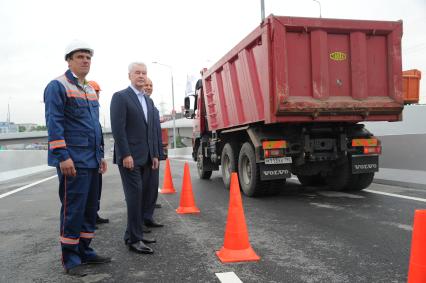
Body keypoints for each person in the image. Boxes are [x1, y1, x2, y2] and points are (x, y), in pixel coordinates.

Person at [44, 39, 110, 277]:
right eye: (80, 56)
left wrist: (100, 155)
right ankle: (70, 258)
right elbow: (54, 123)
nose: (85, 60)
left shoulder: (89, 89)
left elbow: (95, 127)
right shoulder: (58, 86)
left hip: (91, 160)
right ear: (69, 60)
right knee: (73, 209)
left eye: (88, 57)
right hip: (73, 160)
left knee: (90, 209)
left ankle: (84, 250)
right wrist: (63, 156)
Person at [110, 62, 159, 255]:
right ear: (129, 75)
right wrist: (125, 154)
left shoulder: (148, 101)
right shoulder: (121, 97)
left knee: (143, 196)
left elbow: (151, 131)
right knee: (134, 197)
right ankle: (134, 239)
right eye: (137, 72)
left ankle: (133, 233)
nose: (141, 76)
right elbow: (118, 129)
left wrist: (155, 154)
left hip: (147, 157)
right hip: (130, 158)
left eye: (144, 73)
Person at [142, 78, 165, 226]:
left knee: (152, 187)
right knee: (142, 189)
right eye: (146, 85)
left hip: (154, 154)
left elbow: (156, 133)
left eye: (151, 85)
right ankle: (140, 222)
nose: (149, 87)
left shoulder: (153, 107)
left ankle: (148, 217)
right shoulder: (139, 105)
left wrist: (158, 153)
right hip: (142, 154)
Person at [87, 81, 109, 225]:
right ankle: (88, 218)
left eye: (98, 92)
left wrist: (101, 157)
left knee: (96, 188)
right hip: (87, 157)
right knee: (88, 190)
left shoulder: (95, 110)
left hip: (96, 156)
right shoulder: (85, 109)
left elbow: (98, 137)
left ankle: (94, 214)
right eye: (95, 91)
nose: (97, 94)